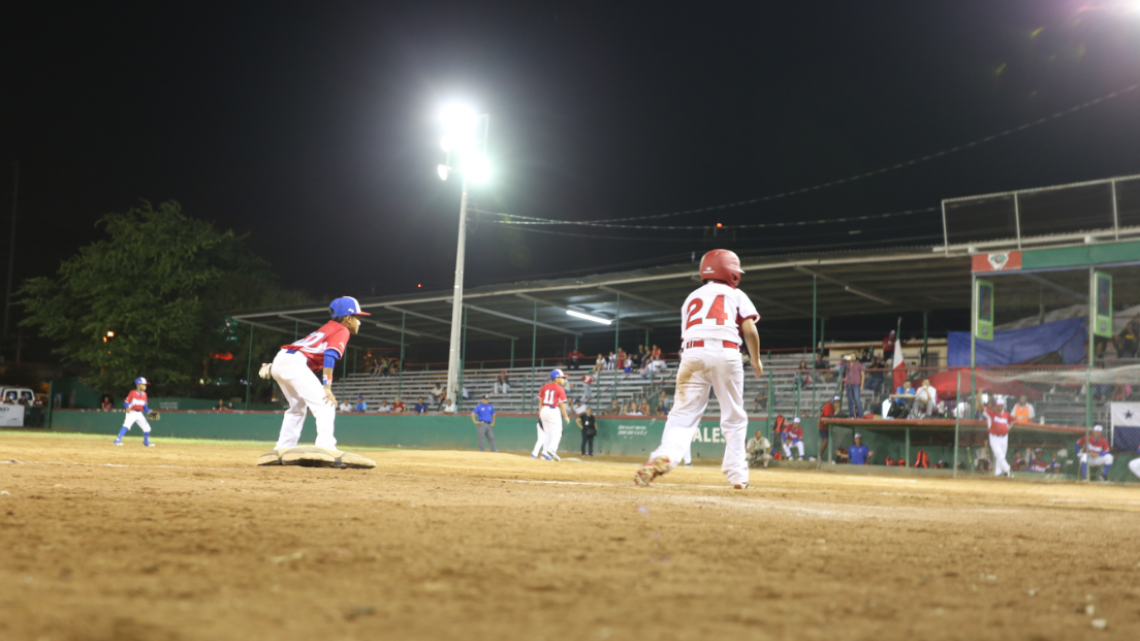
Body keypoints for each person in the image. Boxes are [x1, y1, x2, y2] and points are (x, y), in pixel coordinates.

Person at [635, 249, 763, 489]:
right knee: (734, 417)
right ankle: (737, 475)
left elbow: (687, 335)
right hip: (726, 353)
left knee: (682, 416)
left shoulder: (691, 297)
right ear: (731, 271)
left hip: (692, 354)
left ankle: (666, 456)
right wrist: (755, 359)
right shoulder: (735, 294)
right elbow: (749, 330)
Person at [262, 296, 368, 453]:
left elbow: (302, 350)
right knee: (326, 404)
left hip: (281, 358)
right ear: (348, 318)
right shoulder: (342, 330)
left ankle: (282, 449)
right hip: (294, 362)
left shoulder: (327, 327)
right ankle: (326, 448)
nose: (359, 322)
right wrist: (327, 387)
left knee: (297, 408)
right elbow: (330, 355)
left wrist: (273, 367)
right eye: (358, 318)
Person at [531, 369, 570, 461]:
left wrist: (540, 412)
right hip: (553, 410)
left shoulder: (545, 387)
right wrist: (566, 416)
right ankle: (552, 449)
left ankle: (545, 454)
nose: (563, 380)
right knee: (557, 433)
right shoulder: (560, 389)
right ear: (556, 379)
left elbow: (540, 400)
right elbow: (562, 404)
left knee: (548, 433)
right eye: (562, 378)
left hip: (544, 410)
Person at [114, 377, 156, 447]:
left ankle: (146, 441)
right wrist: (127, 407)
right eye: (143, 384)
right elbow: (126, 402)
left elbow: (144, 406)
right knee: (126, 425)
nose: (145, 386)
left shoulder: (145, 394)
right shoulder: (132, 393)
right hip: (131, 412)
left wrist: (148, 412)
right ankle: (117, 440)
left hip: (139, 413)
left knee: (147, 428)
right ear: (138, 385)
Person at [979, 396, 1013, 477]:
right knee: (999, 454)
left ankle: (998, 474)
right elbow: (982, 408)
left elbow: (1012, 421)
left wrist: (1008, 428)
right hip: (994, 437)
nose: (999, 406)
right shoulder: (991, 413)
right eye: (998, 405)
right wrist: (979, 399)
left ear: (1003, 405)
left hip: (1004, 437)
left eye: (1001, 405)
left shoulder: (1006, 414)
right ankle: (1007, 468)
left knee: (1001, 456)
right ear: (996, 406)